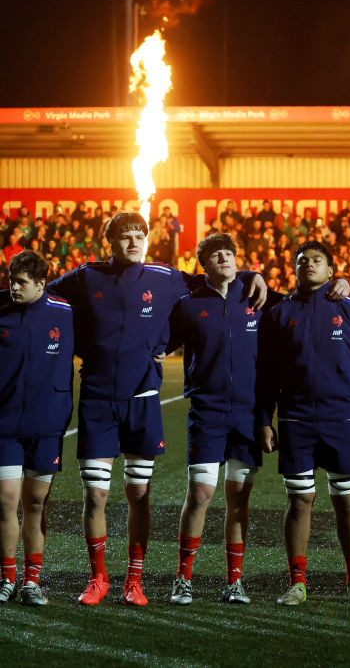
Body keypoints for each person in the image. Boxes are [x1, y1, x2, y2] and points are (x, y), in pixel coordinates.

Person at [47, 212, 268, 606]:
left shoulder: (166, 277)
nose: (134, 242)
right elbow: (39, 296)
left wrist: (253, 274)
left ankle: (135, 579)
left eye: (139, 236)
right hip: (97, 399)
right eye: (126, 237)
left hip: (144, 400)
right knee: (95, 498)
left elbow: (217, 275)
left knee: (139, 492)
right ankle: (98, 578)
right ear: (110, 243)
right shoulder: (84, 276)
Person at [256, 240, 350, 607]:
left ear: (331, 270)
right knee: (300, 501)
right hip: (296, 420)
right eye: (302, 261)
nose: (309, 265)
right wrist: (265, 420)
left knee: (346, 500)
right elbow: (265, 375)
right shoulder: (279, 313)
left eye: (317, 260)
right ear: (294, 269)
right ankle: (297, 583)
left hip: (343, 420)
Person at [164, 234, 281, 605]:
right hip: (207, 413)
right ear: (205, 265)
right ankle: (183, 579)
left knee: (238, 500)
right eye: (217, 255)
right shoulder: (187, 306)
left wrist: (339, 283)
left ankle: (234, 582)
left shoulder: (257, 299)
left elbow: (303, 302)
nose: (225, 258)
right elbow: (159, 344)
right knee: (200, 494)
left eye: (230, 253)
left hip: (248, 416)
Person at [0, 251, 75, 606]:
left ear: (42, 284)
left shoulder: (67, 312)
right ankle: (7, 578)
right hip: (5, 425)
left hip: (47, 425)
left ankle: (32, 581)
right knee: (5, 501)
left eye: (21, 283)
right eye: (11, 280)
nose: (14, 287)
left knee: (35, 503)